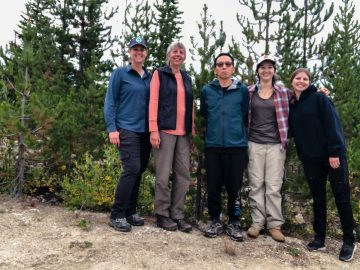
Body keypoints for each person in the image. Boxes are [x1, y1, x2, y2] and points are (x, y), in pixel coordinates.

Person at [288, 68, 356, 262]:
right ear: (292, 81)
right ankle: (319, 238)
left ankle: (349, 241)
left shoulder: (320, 98)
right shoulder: (293, 105)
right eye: (298, 78)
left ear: (309, 81)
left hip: (332, 157)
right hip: (310, 159)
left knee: (341, 197)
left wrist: (334, 152)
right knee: (318, 198)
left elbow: (332, 124)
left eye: (305, 78)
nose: (301, 81)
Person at [104, 37, 152, 232]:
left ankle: (130, 211)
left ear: (146, 53)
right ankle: (117, 214)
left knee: (139, 170)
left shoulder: (150, 77)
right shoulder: (120, 74)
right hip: (126, 128)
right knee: (131, 168)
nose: (138, 52)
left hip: (146, 131)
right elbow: (110, 102)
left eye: (142, 49)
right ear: (130, 52)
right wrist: (112, 128)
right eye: (135, 49)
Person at [200, 52, 249, 242]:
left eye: (228, 64)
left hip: (236, 147)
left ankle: (234, 221)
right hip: (213, 146)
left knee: (235, 189)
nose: (224, 67)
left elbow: (244, 113)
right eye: (220, 64)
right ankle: (214, 220)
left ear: (233, 68)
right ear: (215, 69)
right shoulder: (207, 90)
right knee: (213, 187)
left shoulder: (242, 90)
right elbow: (204, 113)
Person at [148, 41, 193, 233]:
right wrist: (153, 129)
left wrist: (192, 130)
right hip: (164, 131)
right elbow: (153, 101)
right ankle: (162, 214)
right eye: (175, 51)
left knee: (183, 175)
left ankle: (177, 215)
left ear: (184, 56)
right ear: (169, 54)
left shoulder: (187, 77)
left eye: (181, 52)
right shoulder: (160, 73)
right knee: (163, 175)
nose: (178, 54)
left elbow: (190, 105)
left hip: (183, 133)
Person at [246, 55, 290, 242]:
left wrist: (321, 92)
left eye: (269, 67)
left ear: (274, 70)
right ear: (257, 71)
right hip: (254, 143)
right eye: (262, 67)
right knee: (256, 184)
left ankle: (274, 225)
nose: (266, 70)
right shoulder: (248, 92)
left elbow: (303, 98)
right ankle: (257, 223)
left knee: (273, 186)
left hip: (276, 145)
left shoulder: (283, 93)